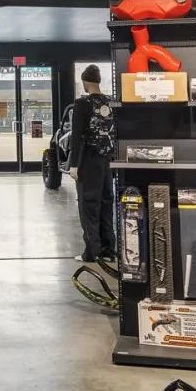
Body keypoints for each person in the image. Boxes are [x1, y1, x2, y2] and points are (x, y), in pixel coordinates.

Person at [68, 64, 117, 267]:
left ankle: (92, 252)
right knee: (106, 202)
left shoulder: (82, 104)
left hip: (88, 160)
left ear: (85, 82)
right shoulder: (110, 102)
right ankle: (109, 249)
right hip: (107, 160)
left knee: (88, 204)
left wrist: (73, 164)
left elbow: (77, 136)